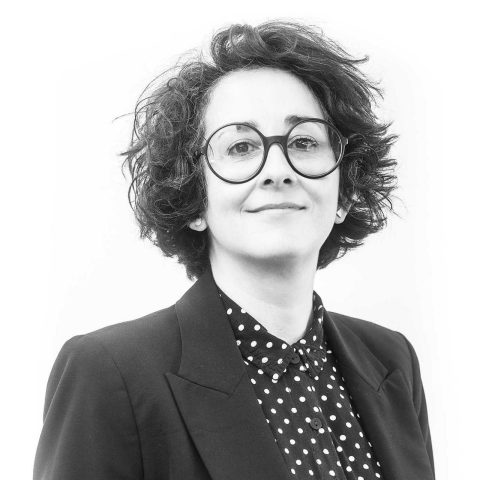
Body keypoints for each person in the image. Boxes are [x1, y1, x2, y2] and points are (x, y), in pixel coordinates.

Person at [33, 20, 435, 480]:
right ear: (193, 199)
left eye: (304, 142)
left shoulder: (392, 360)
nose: (278, 170)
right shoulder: (109, 372)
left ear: (344, 193)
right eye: (241, 147)